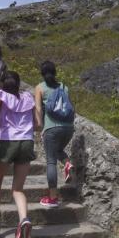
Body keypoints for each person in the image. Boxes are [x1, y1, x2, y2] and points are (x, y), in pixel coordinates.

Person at [0, 71, 38, 238]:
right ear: (18, 83)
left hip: (7, 141)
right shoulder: (28, 97)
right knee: (18, 189)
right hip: (26, 142)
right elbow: (38, 124)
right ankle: (24, 219)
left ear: (2, 83)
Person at [34, 60, 74, 208]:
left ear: (42, 73)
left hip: (52, 128)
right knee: (58, 151)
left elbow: (38, 109)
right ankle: (67, 163)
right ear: (55, 72)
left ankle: (52, 198)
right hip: (68, 127)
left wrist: (39, 126)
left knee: (51, 161)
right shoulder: (64, 87)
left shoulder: (39, 88)